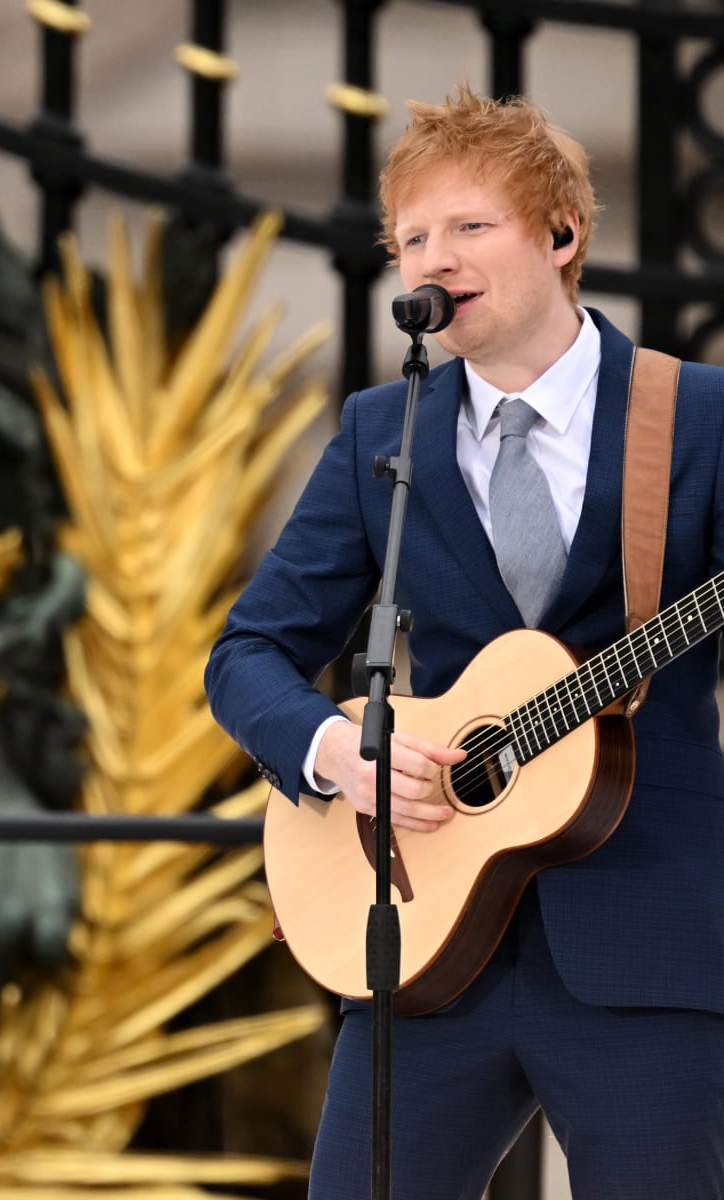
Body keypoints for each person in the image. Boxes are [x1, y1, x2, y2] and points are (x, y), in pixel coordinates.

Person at [204, 85, 724, 1200]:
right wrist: (342, 755)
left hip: (645, 941)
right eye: (411, 239)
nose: (434, 259)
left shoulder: (700, 417)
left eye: (470, 225)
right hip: (423, 935)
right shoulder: (379, 433)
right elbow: (247, 653)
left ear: (562, 234)